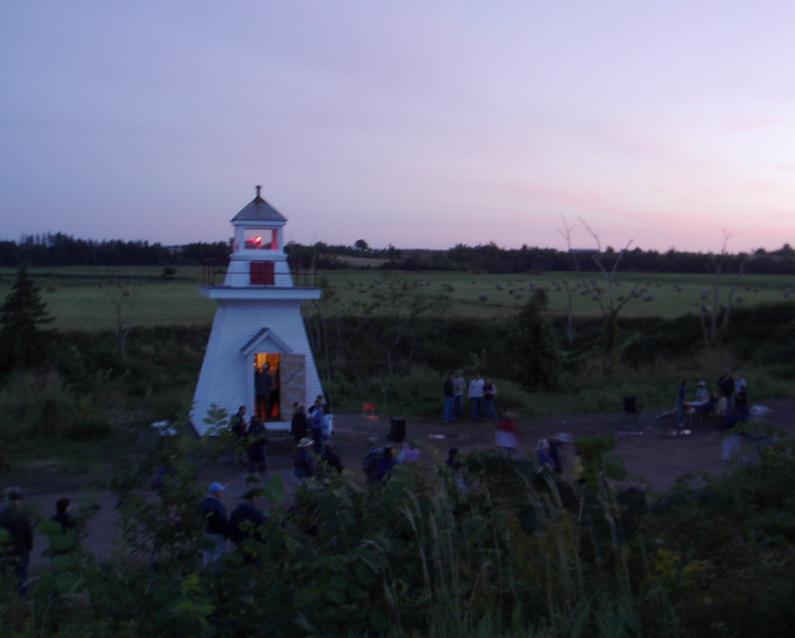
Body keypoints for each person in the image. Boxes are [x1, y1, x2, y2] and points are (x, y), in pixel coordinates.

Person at [0, 487, 33, 596]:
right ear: (16, 500)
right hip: (20, 551)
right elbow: (28, 534)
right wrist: (29, 547)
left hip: (5, 552)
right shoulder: (22, 515)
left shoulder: (2, 516)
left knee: (5, 577)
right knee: (22, 575)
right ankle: (23, 600)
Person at [229, 489, 268, 562]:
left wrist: (235, 540)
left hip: (240, 543)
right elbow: (263, 525)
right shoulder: (254, 512)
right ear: (253, 499)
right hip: (252, 544)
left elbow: (231, 528)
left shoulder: (235, 512)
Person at [200, 482, 229, 566]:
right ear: (216, 493)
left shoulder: (203, 503)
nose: (221, 493)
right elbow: (223, 521)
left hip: (206, 533)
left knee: (207, 554)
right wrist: (227, 533)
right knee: (219, 554)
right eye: (220, 491)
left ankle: (205, 574)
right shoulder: (218, 505)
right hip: (218, 534)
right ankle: (216, 574)